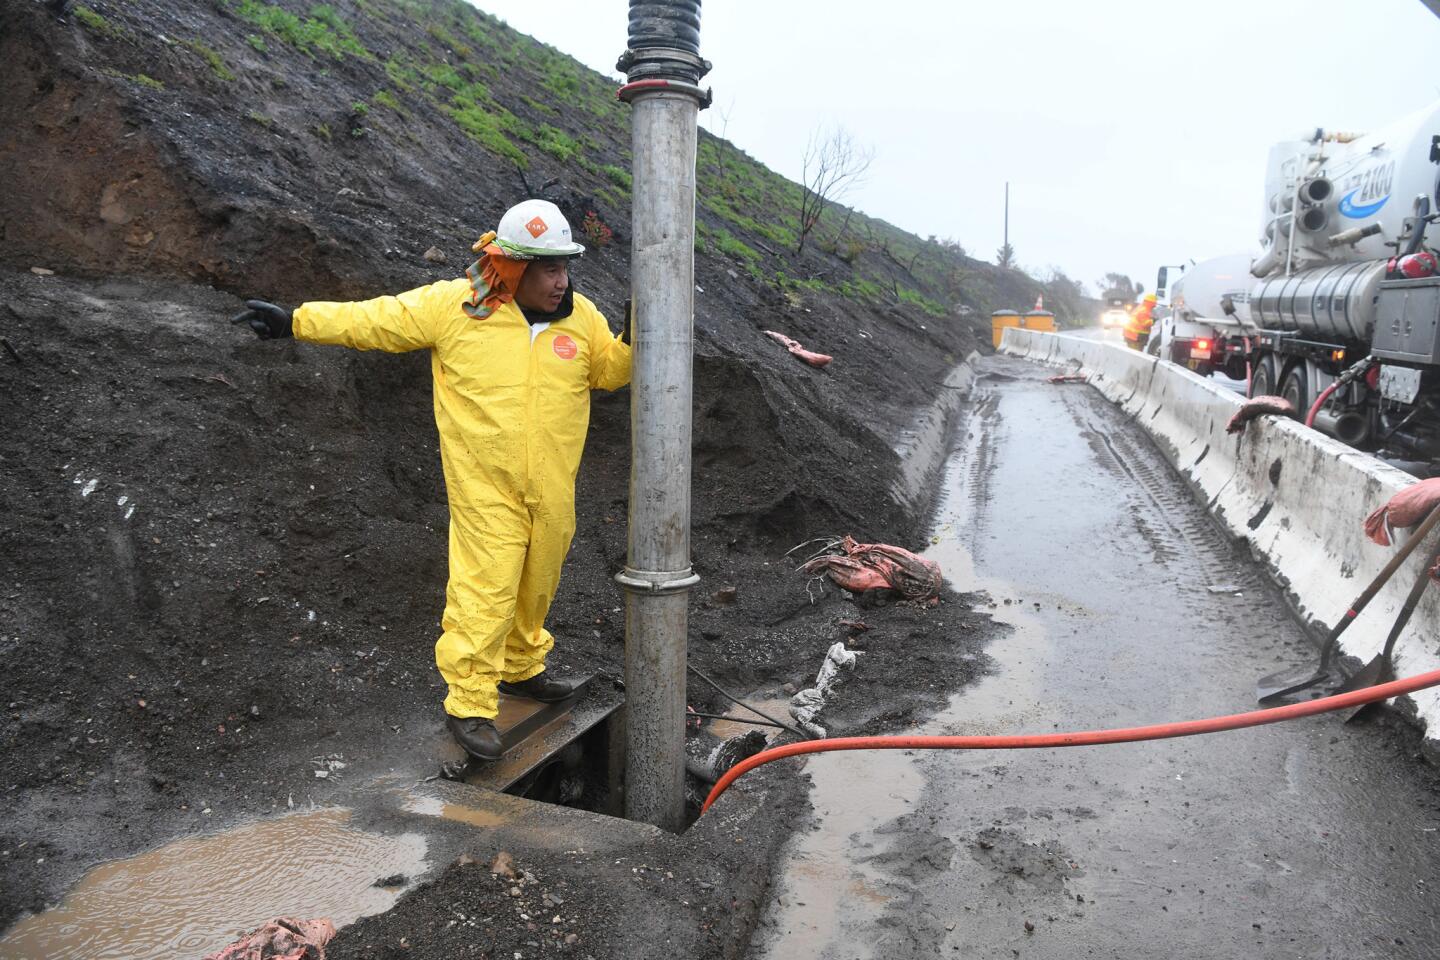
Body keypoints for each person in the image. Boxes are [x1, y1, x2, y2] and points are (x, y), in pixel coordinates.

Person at [231, 199, 632, 761]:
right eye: (547, 268)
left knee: (537, 580)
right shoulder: (457, 307)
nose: (560, 279)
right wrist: (295, 320)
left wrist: (635, 342)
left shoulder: (581, 317)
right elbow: (376, 320)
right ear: (511, 267)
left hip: (553, 487)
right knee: (486, 587)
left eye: (564, 266)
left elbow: (608, 371)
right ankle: (469, 702)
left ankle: (519, 668)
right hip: (485, 487)